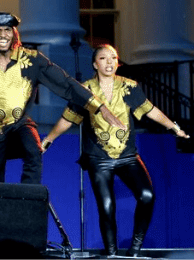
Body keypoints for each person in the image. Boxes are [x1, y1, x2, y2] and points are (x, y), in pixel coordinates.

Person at [41, 44, 189, 257]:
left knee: (147, 195)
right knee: (107, 207)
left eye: (113, 58)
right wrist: (49, 139)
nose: (109, 62)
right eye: (103, 58)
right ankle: (111, 254)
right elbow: (68, 118)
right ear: (95, 64)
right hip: (98, 158)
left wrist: (174, 127)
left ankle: (135, 250)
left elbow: (150, 110)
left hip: (127, 156)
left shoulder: (129, 87)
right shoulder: (85, 90)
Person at [0, 12, 125, 184]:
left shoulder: (32, 60)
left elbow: (66, 83)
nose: (2, 35)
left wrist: (99, 107)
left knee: (33, 150)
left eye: (7, 30)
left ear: (14, 33)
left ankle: (29, 198)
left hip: (20, 125)